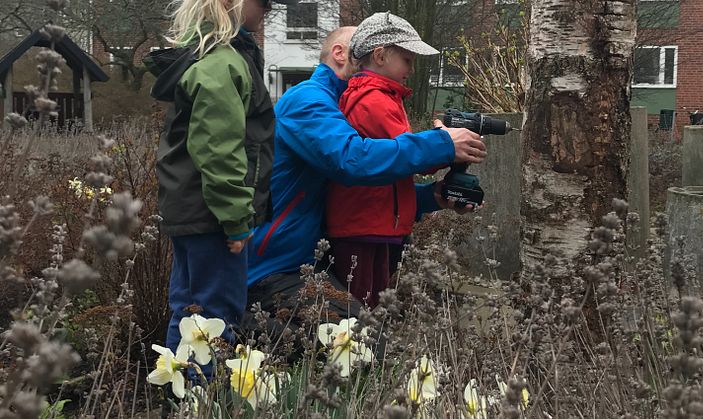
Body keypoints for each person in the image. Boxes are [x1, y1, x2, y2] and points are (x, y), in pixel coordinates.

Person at [243, 26, 486, 323]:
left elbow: (358, 193)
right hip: (273, 271)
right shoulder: (308, 101)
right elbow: (352, 160)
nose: (370, 58)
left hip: (308, 262)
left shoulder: (345, 105)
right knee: (361, 345)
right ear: (340, 53)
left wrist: (433, 196)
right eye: (362, 51)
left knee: (366, 339)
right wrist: (442, 143)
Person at [144, 0, 294, 358]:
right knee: (215, 316)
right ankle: (200, 401)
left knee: (188, 311)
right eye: (263, 4)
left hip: (191, 212)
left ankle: (179, 400)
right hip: (213, 217)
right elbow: (219, 150)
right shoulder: (223, 64)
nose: (266, 13)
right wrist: (236, 221)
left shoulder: (204, 59)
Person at [326, 12, 442, 307]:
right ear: (379, 55)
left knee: (367, 306)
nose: (411, 69)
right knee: (361, 309)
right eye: (407, 59)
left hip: (372, 223)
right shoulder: (373, 99)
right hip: (364, 226)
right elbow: (413, 157)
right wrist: (448, 145)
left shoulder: (383, 96)